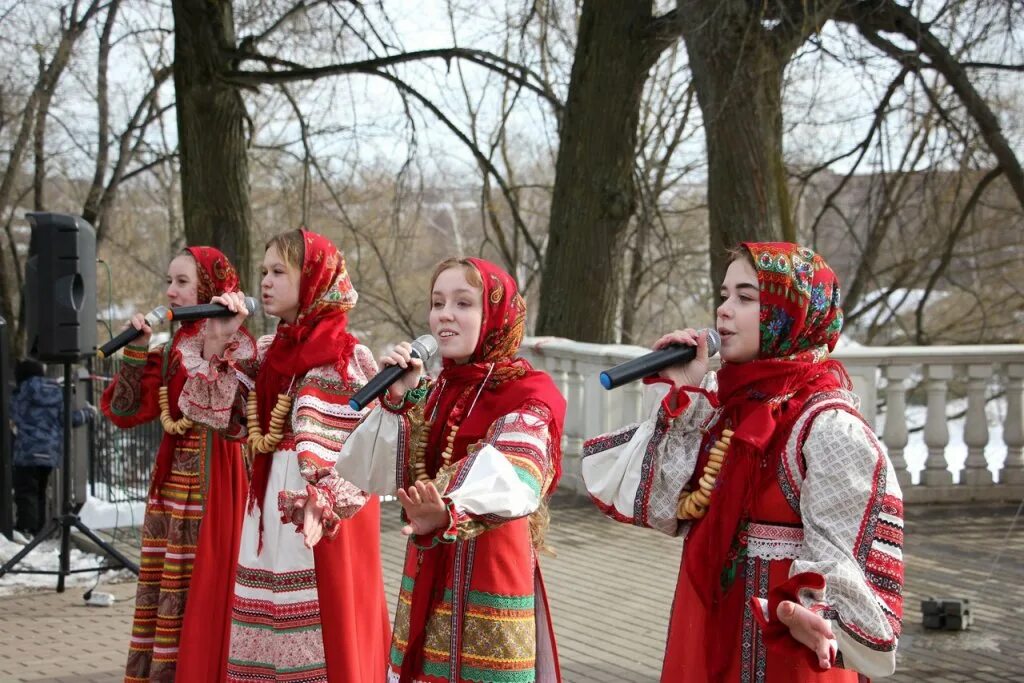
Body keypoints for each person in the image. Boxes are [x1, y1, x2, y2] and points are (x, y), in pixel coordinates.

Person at [582, 242, 904, 681]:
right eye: (724, 294)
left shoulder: (828, 426)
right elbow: (662, 504)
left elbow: (841, 551)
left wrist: (814, 611)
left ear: (790, 315)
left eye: (746, 298)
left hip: (789, 648)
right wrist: (683, 394)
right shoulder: (722, 407)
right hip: (716, 627)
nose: (724, 311)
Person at [318, 257, 567, 683]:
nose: (444, 314)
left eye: (463, 303)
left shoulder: (528, 392)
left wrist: (450, 510)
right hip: (429, 561)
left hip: (492, 565)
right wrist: (399, 396)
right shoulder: (436, 392)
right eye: (437, 302)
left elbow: (518, 471)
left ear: (496, 315)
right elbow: (375, 470)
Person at [180, 228, 389, 682]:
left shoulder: (348, 357)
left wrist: (326, 501)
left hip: (327, 517)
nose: (266, 283)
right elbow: (219, 415)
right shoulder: (270, 352)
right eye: (263, 272)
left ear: (313, 279)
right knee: (266, 620)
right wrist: (218, 339)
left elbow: (372, 452)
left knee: (325, 631)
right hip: (267, 506)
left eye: (279, 272)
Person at [100, 247, 253, 683]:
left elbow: (235, 420)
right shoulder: (172, 350)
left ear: (208, 289)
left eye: (182, 282)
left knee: (205, 589)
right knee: (167, 592)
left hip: (214, 485)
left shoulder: (233, 343)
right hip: (170, 493)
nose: (170, 291)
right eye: (170, 280)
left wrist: (216, 345)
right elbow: (124, 411)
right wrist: (137, 351)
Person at [10, 359, 94, 538]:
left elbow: (12, 413)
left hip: (26, 452)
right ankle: (38, 529)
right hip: (49, 454)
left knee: (25, 492)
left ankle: (26, 529)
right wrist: (88, 413)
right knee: (40, 490)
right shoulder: (56, 392)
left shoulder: (21, 393)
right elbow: (69, 419)